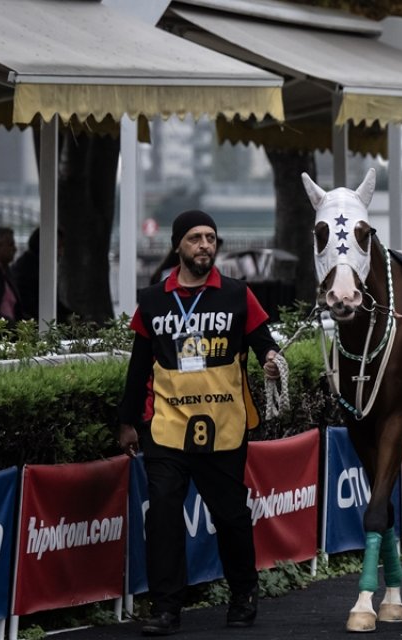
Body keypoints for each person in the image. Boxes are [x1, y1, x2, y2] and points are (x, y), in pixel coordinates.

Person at [116, 210, 281, 636]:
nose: (205, 245)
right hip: (167, 428)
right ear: (177, 247)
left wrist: (272, 362)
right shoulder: (152, 300)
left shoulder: (238, 294)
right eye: (195, 238)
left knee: (230, 517)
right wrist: (127, 422)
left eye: (210, 237)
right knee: (165, 518)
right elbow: (138, 368)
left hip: (224, 428)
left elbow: (266, 345)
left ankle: (244, 593)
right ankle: (166, 608)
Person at [10, 227, 74, 322]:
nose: (61, 252)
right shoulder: (32, 269)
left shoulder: (34, 265)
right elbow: (35, 305)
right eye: (58, 247)